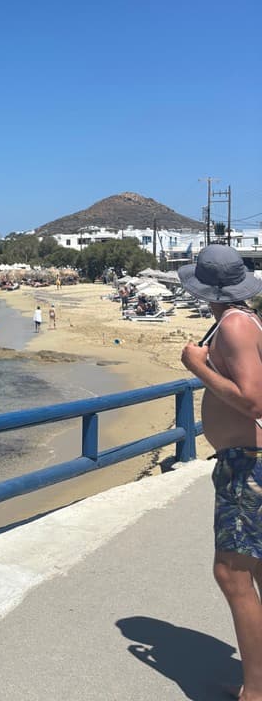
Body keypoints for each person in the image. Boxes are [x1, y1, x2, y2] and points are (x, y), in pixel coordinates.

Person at [178, 245, 262, 701]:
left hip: (247, 465)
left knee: (231, 574)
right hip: (246, 461)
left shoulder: (232, 326)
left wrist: (197, 368)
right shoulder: (245, 320)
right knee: (256, 570)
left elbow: (253, 402)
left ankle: (255, 692)